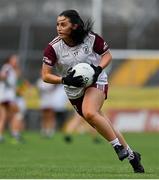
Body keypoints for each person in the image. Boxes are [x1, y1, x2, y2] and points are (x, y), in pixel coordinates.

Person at [41, 9, 144, 173]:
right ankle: (132, 156)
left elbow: (107, 56)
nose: (59, 28)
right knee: (102, 122)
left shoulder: (90, 38)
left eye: (63, 24)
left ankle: (117, 147)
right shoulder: (53, 48)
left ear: (74, 26)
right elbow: (45, 76)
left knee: (89, 112)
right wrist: (65, 80)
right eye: (57, 24)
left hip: (96, 81)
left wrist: (97, 69)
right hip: (73, 89)